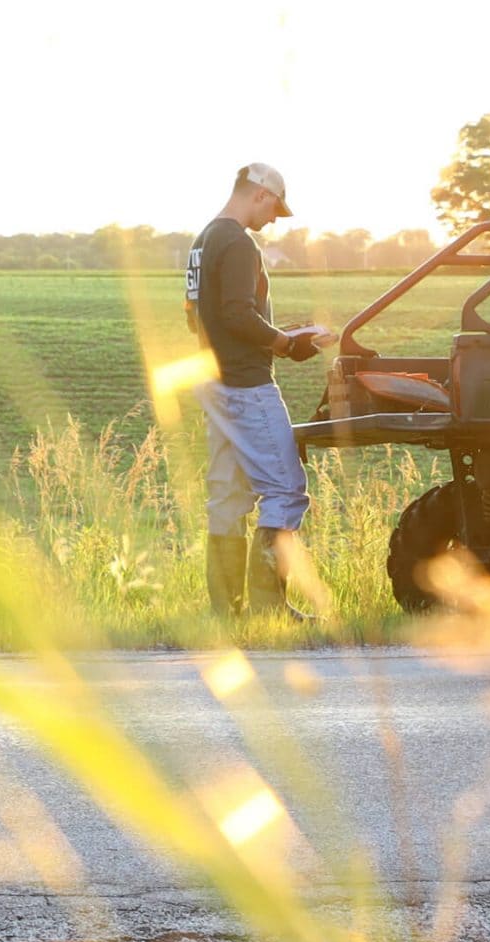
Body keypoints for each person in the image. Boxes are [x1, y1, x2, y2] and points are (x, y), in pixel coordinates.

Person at [184, 163, 328, 619]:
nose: (273, 221)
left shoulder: (203, 240)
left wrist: (276, 335)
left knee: (226, 497)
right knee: (286, 490)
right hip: (247, 384)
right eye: (274, 210)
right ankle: (269, 609)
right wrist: (288, 345)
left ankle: (226, 614)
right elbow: (237, 315)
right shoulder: (240, 244)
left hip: (214, 380)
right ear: (260, 194)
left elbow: (198, 314)